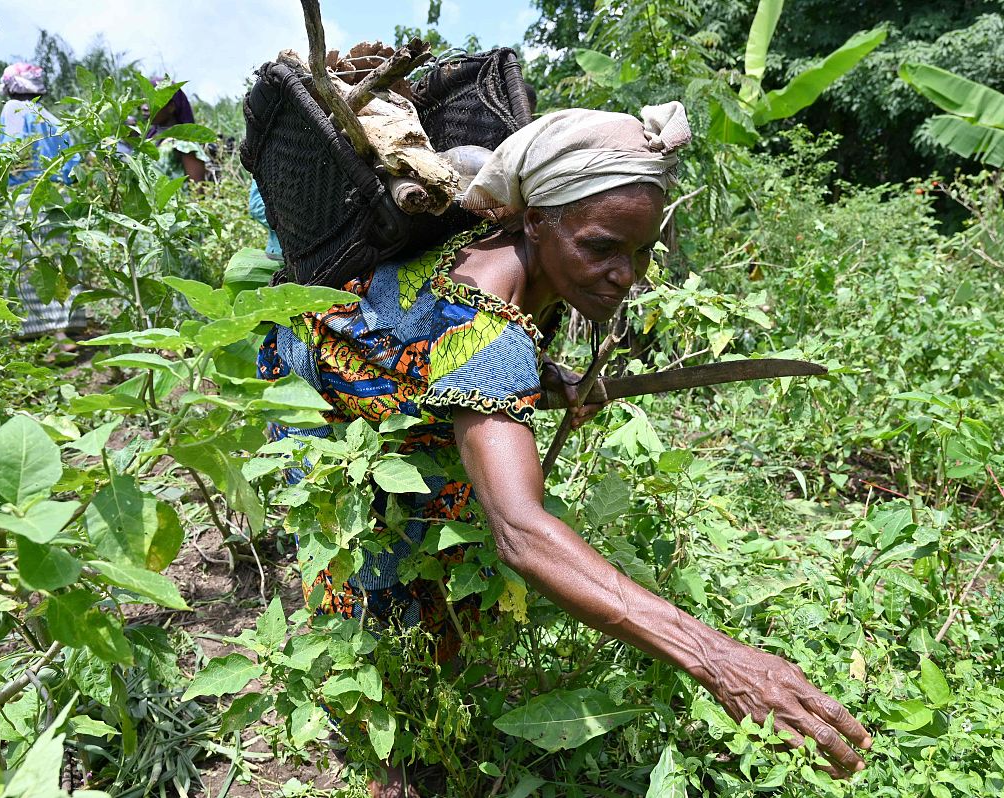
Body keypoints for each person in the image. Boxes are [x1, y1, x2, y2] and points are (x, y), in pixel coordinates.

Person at [258, 103, 871, 796]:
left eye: (640, 252)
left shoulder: (514, 261)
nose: (626, 274)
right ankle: (383, 760)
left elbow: (465, 339)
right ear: (537, 218)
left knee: (446, 556)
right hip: (318, 406)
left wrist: (545, 374)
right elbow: (521, 530)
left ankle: (432, 710)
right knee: (369, 589)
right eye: (603, 248)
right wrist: (717, 657)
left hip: (400, 396)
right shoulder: (488, 333)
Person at [0, 62, 86, 340]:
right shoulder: (52, 117)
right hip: (60, 196)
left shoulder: (13, 109)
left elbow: (13, 153)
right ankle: (64, 332)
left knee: (30, 262)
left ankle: (42, 336)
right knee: (59, 261)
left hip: (29, 195)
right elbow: (74, 166)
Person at [147, 79, 208, 182]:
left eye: (152, 102)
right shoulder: (149, 139)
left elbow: (198, 190)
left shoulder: (184, 142)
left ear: (171, 107)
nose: (144, 107)